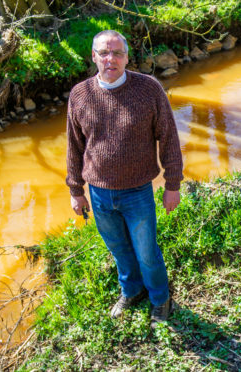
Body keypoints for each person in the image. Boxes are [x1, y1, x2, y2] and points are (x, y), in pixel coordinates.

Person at [66, 30, 183, 327]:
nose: (110, 59)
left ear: (127, 57)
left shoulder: (148, 89)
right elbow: (74, 146)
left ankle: (160, 298)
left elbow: (168, 138)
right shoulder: (80, 94)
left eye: (117, 53)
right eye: (104, 53)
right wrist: (75, 190)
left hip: (138, 192)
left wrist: (173, 185)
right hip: (99, 193)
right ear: (94, 57)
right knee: (119, 249)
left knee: (147, 252)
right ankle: (131, 291)